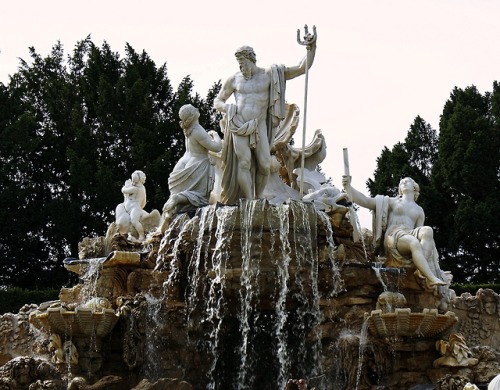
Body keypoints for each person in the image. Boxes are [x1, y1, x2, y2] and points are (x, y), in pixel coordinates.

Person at [214, 32, 317, 204]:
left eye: (243, 63)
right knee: (244, 163)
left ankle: (258, 195)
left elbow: (301, 68)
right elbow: (218, 101)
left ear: (252, 59)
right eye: (239, 64)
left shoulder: (270, 74)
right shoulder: (233, 80)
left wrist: (311, 47)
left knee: (264, 164)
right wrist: (227, 107)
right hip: (238, 125)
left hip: (259, 124)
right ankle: (249, 200)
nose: (241, 68)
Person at [342, 175, 447, 287]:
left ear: (414, 188)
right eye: (401, 183)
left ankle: (421, 268)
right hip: (394, 236)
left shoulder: (419, 210)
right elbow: (366, 201)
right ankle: (430, 277)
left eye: (407, 181)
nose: (403, 183)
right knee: (414, 243)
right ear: (400, 190)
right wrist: (349, 187)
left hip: (409, 234)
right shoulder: (392, 202)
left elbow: (420, 232)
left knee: (427, 230)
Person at [159, 104, 222, 233]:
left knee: (179, 197)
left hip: (183, 163)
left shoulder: (188, 130)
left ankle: (169, 213)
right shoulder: (197, 130)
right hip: (196, 163)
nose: (198, 109)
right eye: (195, 109)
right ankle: (176, 200)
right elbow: (216, 148)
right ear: (193, 116)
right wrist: (216, 135)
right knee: (197, 197)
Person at [115, 170, 150, 242]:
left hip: (135, 208)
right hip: (134, 207)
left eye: (135, 182)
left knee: (134, 221)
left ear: (139, 181)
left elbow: (124, 191)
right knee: (133, 221)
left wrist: (125, 186)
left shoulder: (135, 189)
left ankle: (141, 235)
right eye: (133, 182)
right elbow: (143, 202)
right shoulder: (142, 188)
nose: (133, 183)